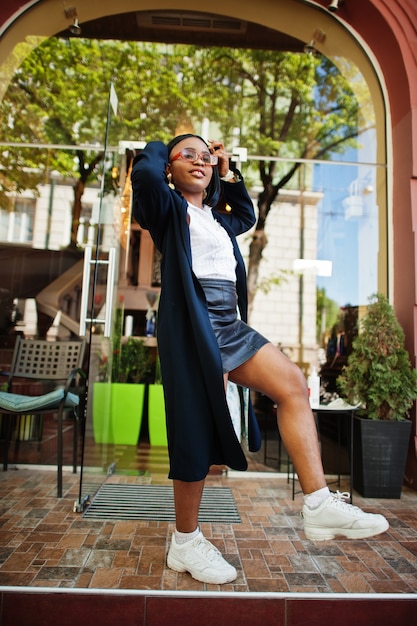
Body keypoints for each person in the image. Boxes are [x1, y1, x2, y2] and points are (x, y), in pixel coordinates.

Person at [131, 134, 389, 585]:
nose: (200, 161)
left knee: (292, 384)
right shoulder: (167, 212)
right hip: (194, 326)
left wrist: (226, 171)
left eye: (205, 157)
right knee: (194, 436)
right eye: (187, 156)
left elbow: (246, 214)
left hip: (228, 323)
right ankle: (186, 542)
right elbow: (146, 173)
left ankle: (318, 505)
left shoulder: (217, 218)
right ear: (171, 168)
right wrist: (161, 144)